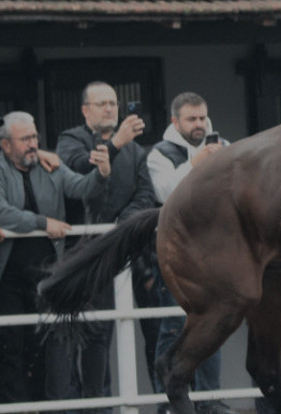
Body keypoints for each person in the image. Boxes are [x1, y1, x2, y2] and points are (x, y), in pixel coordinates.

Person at [54, 81, 156, 409]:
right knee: (72, 333)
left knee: (105, 333)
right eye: (101, 103)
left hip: (119, 250)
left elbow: (144, 195)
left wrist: (120, 226)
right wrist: (115, 143)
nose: (109, 108)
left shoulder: (137, 151)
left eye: (113, 102)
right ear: (86, 110)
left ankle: (99, 404)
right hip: (76, 252)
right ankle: (77, 405)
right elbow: (78, 171)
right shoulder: (70, 139)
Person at [0, 111, 110, 404]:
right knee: (10, 344)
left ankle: (40, 408)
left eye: (35, 137)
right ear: (5, 145)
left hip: (47, 273)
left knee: (43, 347)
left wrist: (100, 174)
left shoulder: (49, 165)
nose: (32, 144)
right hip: (7, 275)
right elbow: (2, 212)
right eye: (25, 139)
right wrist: (42, 223)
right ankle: (15, 409)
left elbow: (80, 188)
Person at [147, 92, 233, 414]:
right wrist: (195, 166)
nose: (199, 125)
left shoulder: (223, 144)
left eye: (202, 118)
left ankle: (211, 401)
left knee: (215, 324)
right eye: (192, 119)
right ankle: (168, 403)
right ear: (175, 121)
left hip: (215, 251)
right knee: (172, 326)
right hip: (176, 253)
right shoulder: (159, 153)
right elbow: (166, 194)